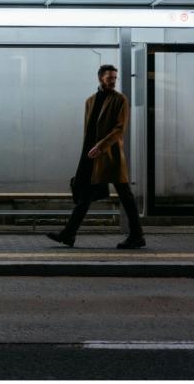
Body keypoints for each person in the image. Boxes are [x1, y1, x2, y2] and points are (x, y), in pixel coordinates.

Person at [47, 64, 146, 249]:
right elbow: (89, 131)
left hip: (110, 155)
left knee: (125, 195)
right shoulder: (90, 101)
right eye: (110, 78)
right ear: (100, 78)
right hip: (92, 155)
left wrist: (101, 146)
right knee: (84, 194)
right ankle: (69, 234)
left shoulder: (120, 100)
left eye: (115, 78)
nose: (113, 81)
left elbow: (119, 129)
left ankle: (137, 235)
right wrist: (89, 151)